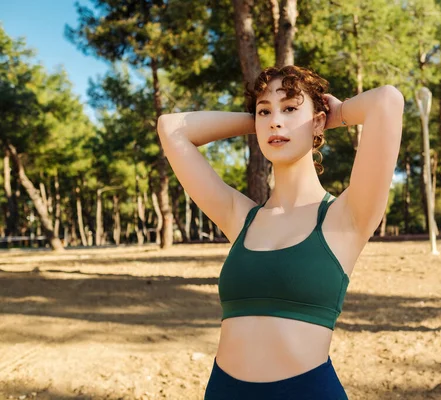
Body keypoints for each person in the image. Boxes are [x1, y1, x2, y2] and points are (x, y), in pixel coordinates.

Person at [157, 65, 404, 399]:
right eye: (265, 112)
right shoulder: (241, 217)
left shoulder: (345, 217)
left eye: (290, 108)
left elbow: (387, 101)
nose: (275, 121)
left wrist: (337, 113)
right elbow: (172, 128)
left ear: (318, 120)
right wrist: (261, 122)